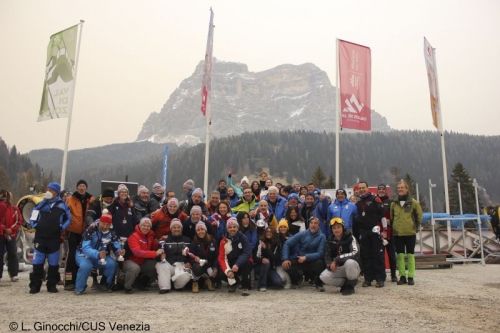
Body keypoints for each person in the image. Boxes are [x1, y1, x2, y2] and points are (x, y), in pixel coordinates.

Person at [28, 182, 71, 293]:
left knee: (53, 262)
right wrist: (35, 225)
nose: (48, 192)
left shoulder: (62, 205)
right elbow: (32, 216)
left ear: (56, 192)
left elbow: (68, 219)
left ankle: (51, 284)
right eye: (47, 189)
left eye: (51, 190)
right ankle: (35, 285)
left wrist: (61, 227)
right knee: (38, 261)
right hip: (41, 237)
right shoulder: (41, 204)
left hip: (54, 237)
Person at [74, 212, 125, 294]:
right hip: (84, 254)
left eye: (108, 224)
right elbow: (85, 247)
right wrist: (97, 254)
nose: (105, 227)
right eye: (103, 224)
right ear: (100, 221)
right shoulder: (91, 229)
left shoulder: (111, 232)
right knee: (86, 266)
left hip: (101, 256)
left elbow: (116, 246)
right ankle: (80, 287)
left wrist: (120, 252)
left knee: (112, 264)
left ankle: (104, 283)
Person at [354, 181, 387, 288]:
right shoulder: (358, 203)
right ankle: (368, 279)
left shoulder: (375, 199)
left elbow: (382, 216)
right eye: (360, 188)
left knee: (377, 254)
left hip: (375, 230)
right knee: (365, 255)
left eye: (363, 187)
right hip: (363, 231)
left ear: (368, 188)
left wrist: (385, 230)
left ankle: (380, 279)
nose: (362, 190)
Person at [390, 181, 423, 286]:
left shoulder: (413, 202)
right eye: (398, 187)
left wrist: (415, 227)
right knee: (399, 255)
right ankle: (402, 276)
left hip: (410, 233)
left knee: (410, 255)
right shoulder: (394, 203)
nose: (400, 189)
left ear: (407, 189)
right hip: (398, 233)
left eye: (402, 187)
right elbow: (392, 217)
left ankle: (411, 276)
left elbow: (419, 216)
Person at [64, 179, 94, 291]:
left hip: (85, 233)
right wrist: (65, 231)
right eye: (80, 186)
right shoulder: (70, 200)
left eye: (83, 186)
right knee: (71, 257)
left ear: (86, 188)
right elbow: (65, 215)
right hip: (73, 232)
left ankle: (80, 281)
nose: (81, 188)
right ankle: (68, 281)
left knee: (83, 257)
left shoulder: (91, 199)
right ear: (77, 188)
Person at [281, 217, 326, 291]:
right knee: (286, 265)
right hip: (300, 259)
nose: (313, 225)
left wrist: (306, 257)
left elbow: (320, 253)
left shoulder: (322, 237)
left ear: (319, 225)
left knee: (320, 263)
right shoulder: (302, 234)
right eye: (311, 223)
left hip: (313, 260)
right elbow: (287, 243)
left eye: (315, 223)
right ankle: (296, 280)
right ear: (309, 224)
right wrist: (285, 258)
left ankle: (319, 283)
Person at [319, 218, 361, 296]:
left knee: (350, 262)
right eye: (334, 228)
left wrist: (337, 260)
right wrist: (329, 265)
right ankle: (345, 284)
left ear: (343, 227)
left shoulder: (351, 238)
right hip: (339, 268)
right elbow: (327, 256)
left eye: (338, 227)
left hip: (352, 266)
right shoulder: (330, 240)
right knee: (323, 276)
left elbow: (355, 253)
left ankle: (351, 285)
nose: (336, 230)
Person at [122, 217, 161, 293]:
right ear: (139, 226)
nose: (146, 228)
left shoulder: (150, 236)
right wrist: (155, 254)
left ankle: (140, 283)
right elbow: (137, 252)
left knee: (157, 265)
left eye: (148, 226)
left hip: (142, 262)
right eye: (144, 225)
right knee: (134, 268)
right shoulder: (133, 236)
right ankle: (127, 287)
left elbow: (154, 247)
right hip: (129, 260)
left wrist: (162, 241)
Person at [218, 217, 252, 296]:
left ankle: (245, 286)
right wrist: (228, 271)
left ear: (237, 227)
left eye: (234, 227)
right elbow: (222, 258)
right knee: (221, 273)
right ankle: (233, 283)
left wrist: (237, 264)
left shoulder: (243, 238)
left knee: (246, 264)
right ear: (227, 229)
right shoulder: (223, 241)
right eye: (230, 227)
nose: (232, 229)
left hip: (242, 263)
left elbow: (247, 252)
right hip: (231, 264)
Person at [155, 219, 192, 292]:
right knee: (161, 264)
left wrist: (189, 262)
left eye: (178, 227)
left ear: (181, 229)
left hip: (182, 266)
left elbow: (192, 254)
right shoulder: (165, 240)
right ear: (171, 229)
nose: (176, 229)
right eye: (174, 227)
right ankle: (164, 287)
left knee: (187, 275)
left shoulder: (187, 240)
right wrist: (160, 257)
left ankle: (176, 285)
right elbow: (157, 254)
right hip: (170, 265)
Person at [188, 222, 219, 293]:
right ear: (196, 232)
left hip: (210, 265)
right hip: (199, 265)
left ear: (205, 230)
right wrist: (195, 260)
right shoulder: (193, 243)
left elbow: (216, 256)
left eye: (202, 229)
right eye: (198, 230)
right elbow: (191, 258)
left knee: (218, 271)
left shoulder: (213, 241)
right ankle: (195, 282)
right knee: (197, 267)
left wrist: (215, 267)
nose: (200, 232)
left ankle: (208, 280)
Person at [0, 190, 22, 282]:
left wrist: (11, 230)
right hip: (1, 234)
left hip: (11, 235)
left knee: (12, 254)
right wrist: (4, 229)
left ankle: (13, 274)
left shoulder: (15, 209)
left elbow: (18, 221)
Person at [377, 184, 397, 283]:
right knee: (379, 255)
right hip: (378, 232)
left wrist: (391, 221)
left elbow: (396, 216)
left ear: (386, 191)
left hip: (389, 232)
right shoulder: (375, 201)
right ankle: (382, 275)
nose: (381, 190)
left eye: (383, 189)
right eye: (379, 189)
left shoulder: (391, 202)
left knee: (391, 254)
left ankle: (393, 275)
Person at [254, 226, 283, 291]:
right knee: (266, 262)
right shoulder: (260, 242)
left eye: (271, 232)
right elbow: (254, 257)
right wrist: (261, 260)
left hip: (271, 268)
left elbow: (275, 258)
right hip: (259, 266)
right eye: (267, 231)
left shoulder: (277, 244)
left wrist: (266, 249)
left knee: (278, 283)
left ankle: (266, 280)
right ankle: (261, 286)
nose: (269, 233)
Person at [275, 220, 292, 289]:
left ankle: (289, 282)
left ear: (287, 228)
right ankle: (284, 281)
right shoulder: (276, 237)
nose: (283, 228)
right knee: (281, 278)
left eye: (284, 227)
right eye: (281, 227)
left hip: (289, 259)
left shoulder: (291, 237)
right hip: (278, 262)